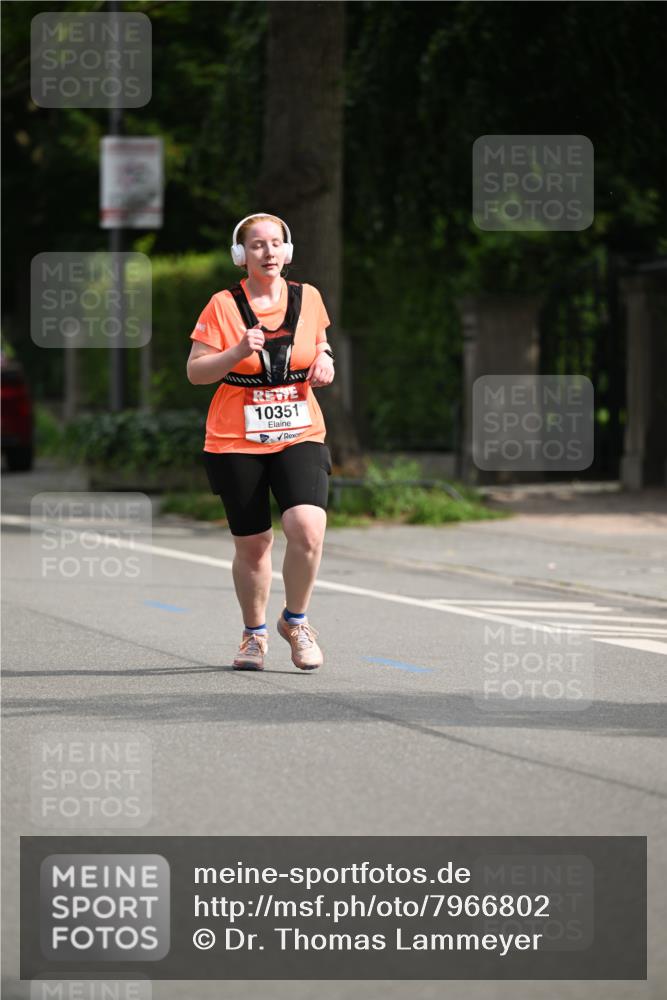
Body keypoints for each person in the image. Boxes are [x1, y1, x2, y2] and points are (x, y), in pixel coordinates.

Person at [186, 213, 335, 672]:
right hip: (235, 438)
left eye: (275, 244)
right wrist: (236, 352)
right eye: (257, 245)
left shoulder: (308, 297)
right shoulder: (222, 305)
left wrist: (326, 360)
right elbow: (195, 372)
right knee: (254, 546)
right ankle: (254, 634)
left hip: (300, 430)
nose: (268, 252)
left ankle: (296, 621)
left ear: (287, 252)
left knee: (307, 527)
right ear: (241, 255)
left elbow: (319, 342)